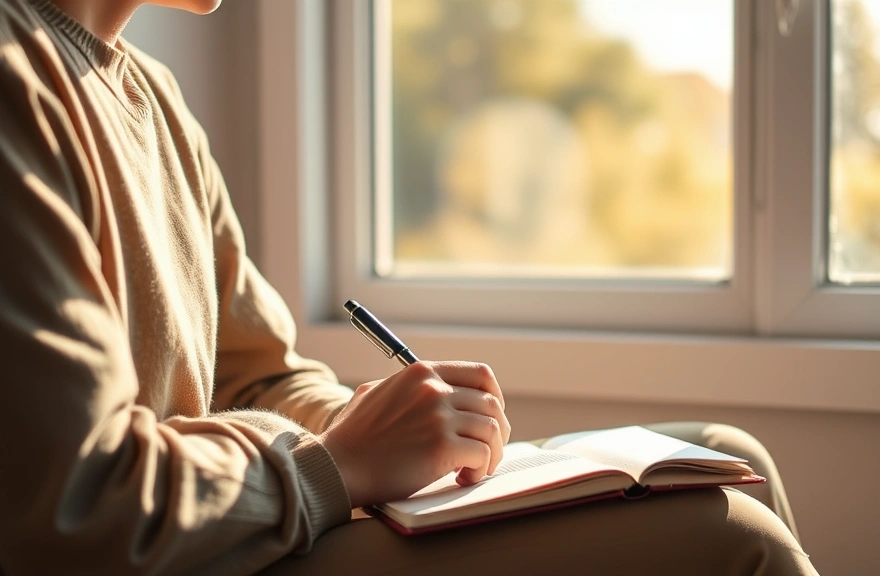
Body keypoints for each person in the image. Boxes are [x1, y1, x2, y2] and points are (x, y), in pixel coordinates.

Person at [0, 0, 818, 574]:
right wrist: (336, 467)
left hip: (234, 514)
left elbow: (255, 373)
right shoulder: (14, 77)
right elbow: (80, 505)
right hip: (176, 552)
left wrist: (380, 430)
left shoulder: (156, 98)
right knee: (733, 538)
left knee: (727, 456)